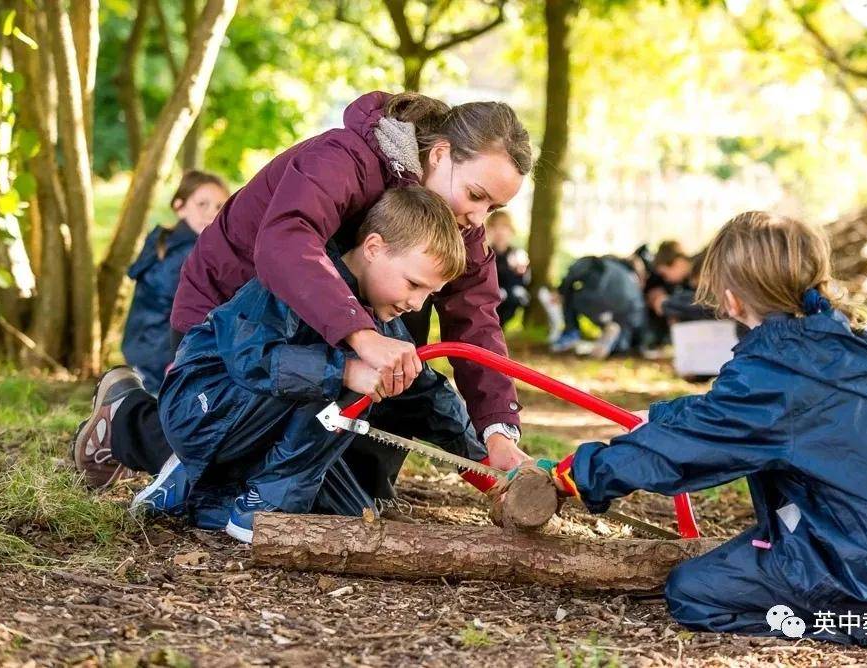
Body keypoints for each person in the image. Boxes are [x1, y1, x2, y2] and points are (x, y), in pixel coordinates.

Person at [513, 211, 867, 647]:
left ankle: (865, 623)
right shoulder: (831, 339)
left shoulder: (775, 370)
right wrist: (665, 416)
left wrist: (581, 474)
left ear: (731, 298)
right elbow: (734, 414)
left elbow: (682, 452)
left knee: (694, 592)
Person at [73, 91, 533, 492]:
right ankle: (128, 422)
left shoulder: (460, 227)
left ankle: (363, 480)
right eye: (476, 195)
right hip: (233, 320)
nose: (479, 216)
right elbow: (287, 241)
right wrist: (362, 336)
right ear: (440, 155)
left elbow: (477, 324)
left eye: (494, 207)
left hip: (320, 326)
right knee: (236, 460)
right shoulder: (345, 158)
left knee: (405, 298)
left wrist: (498, 432)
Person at [130, 187, 488, 542]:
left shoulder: (380, 320)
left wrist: (486, 464)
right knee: (343, 383)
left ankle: (201, 491)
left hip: (253, 417)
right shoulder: (301, 280)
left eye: (429, 294)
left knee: (353, 518)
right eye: (414, 284)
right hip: (203, 405)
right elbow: (250, 358)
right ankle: (263, 506)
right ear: (374, 248)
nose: (416, 303)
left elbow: (425, 392)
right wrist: (345, 372)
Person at [121, 171, 229, 395]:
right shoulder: (187, 254)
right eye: (202, 204)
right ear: (179, 206)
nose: (211, 213)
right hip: (162, 355)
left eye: (219, 206)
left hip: (141, 348)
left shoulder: (167, 241)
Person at [545, 252, 648, 359]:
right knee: (619, 328)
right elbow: (638, 316)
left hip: (597, 296)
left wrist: (561, 290)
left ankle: (571, 332)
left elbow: (579, 267)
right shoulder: (634, 283)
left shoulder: (605, 264)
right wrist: (639, 344)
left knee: (570, 293)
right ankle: (616, 344)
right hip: (625, 309)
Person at [486, 211, 531, 326]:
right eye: (495, 227)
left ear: (511, 230)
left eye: (504, 227)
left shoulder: (516, 254)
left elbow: (523, 280)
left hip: (509, 297)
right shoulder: (485, 254)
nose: (499, 232)